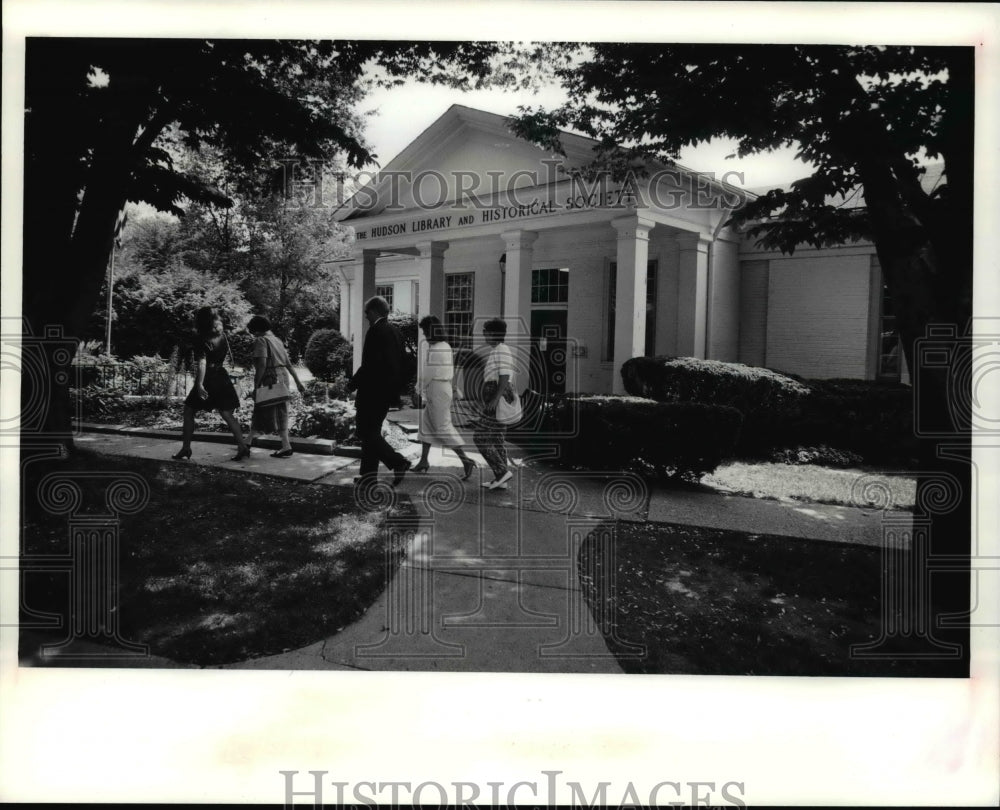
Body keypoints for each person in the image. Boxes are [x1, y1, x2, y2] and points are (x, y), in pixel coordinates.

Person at [346, 296, 411, 486]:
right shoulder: (396, 332)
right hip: (387, 393)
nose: (365, 316)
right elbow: (405, 365)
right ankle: (368, 478)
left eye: (367, 312)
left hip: (372, 392)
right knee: (371, 433)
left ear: (374, 311)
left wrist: (351, 385)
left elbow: (369, 366)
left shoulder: (375, 331)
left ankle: (398, 462)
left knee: (365, 432)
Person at [172, 306, 250, 462]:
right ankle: (242, 447)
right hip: (222, 376)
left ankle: (186, 448)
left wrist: (200, 384)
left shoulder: (201, 337)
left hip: (208, 378)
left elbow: (202, 362)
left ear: (200, 320)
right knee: (227, 414)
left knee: (188, 411)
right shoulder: (223, 336)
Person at [413, 315, 477, 480]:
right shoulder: (445, 345)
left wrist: (418, 389)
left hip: (438, 388)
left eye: (426, 331)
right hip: (441, 387)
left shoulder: (436, 349)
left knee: (443, 427)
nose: (425, 335)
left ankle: (466, 460)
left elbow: (428, 374)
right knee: (426, 425)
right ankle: (423, 461)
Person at [245, 315, 305, 458]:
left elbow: (262, 365)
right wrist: (297, 382)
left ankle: (284, 446)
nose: (253, 335)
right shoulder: (277, 340)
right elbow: (288, 363)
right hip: (282, 377)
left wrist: (256, 385)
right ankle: (248, 442)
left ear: (258, 330)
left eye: (253, 332)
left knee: (263, 407)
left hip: (269, 378)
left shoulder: (261, 340)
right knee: (278, 410)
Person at [473, 318, 516, 490]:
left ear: (492, 333)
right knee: (497, 439)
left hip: (497, 396)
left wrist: (495, 399)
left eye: (485, 331)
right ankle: (502, 479)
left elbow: (504, 376)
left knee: (480, 437)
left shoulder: (502, 350)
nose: (483, 334)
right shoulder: (497, 349)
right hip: (496, 395)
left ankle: (501, 472)